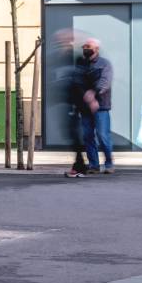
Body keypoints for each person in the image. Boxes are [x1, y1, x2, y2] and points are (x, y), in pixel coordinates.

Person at [48, 29, 89, 179]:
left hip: (74, 102)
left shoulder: (77, 57)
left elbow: (80, 80)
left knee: (74, 134)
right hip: (64, 101)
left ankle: (80, 166)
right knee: (70, 134)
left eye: (63, 39)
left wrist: (86, 97)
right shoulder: (58, 57)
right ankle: (80, 165)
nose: (60, 42)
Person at [76, 38, 114, 174]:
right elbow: (77, 82)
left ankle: (109, 163)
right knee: (87, 136)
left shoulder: (104, 64)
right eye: (84, 46)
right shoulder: (81, 64)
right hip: (85, 107)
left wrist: (93, 94)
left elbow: (105, 82)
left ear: (96, 49)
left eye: (88, 46)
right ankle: (94, 165)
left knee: (103, 135)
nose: (85, 49)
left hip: (101, 106)